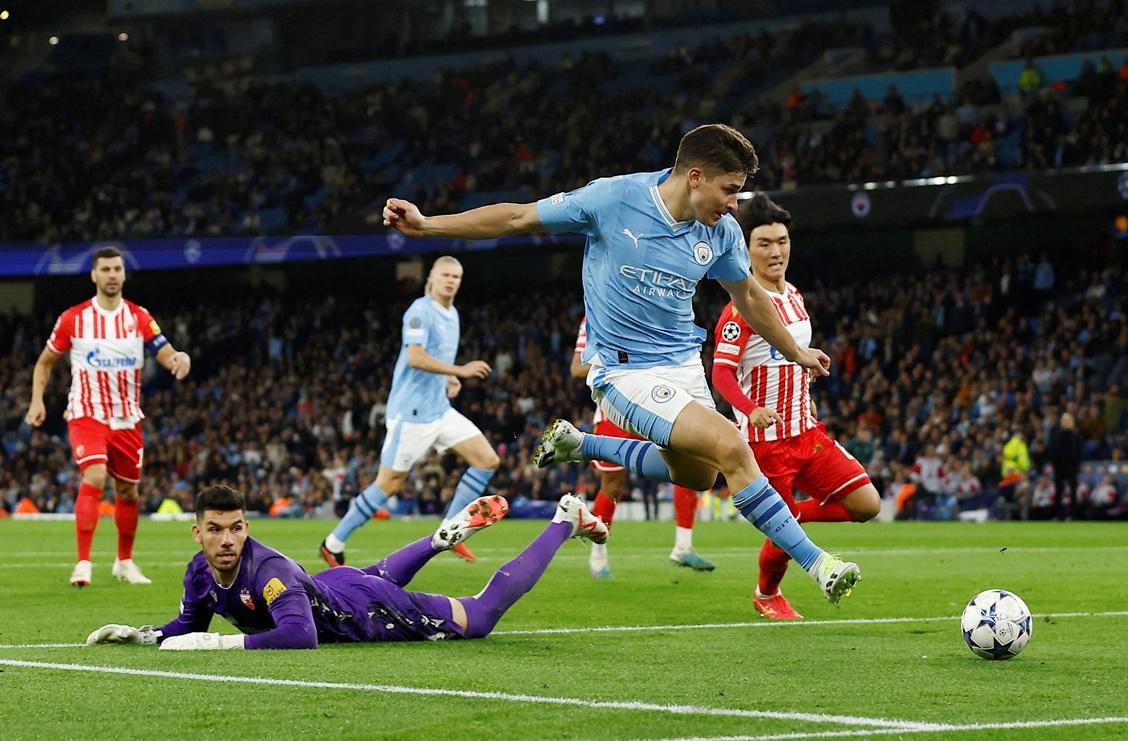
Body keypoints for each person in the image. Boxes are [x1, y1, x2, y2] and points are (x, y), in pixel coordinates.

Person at [381, 123, 861, 606]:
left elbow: (750, 296)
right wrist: (427, 224)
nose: (734, 203)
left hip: (683, 365)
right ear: (695, 176)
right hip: (623, 372)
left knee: (700, 477)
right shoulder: (613, 200)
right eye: (729, 190)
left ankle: (582, 442)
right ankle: (819, 565)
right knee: (733, 447)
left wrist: (795, 351)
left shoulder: (721, 233)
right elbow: (516, 218)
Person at [86, 484, 608, 650]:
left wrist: (224, 643)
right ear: (196, 532)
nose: (228, 540)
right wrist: (146, 635)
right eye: (216, 530)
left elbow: (300, 636)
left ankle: (565, 519)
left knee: (481, 616)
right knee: (372, 573)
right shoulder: (199, 572)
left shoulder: (267, 572)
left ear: (247, 527)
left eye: (237, 528)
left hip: (363, 610)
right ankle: (439, 538)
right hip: (333, 585)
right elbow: (190, 626)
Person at [710, 195, 880, 620]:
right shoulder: (739, 308)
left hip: (807, 431)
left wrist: (810, 364)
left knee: (867, 505)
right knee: (783, 532)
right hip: (766, 444)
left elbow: (791, 355)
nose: (776, 251)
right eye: (764, 243)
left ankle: (787, 519)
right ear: (745, 250)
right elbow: (722, 375)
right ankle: (767, 594)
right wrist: (750, 409)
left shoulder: (796, 296)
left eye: (782, 241)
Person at [25, 247, 191, 588]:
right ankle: (83, 563)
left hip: (127, 418)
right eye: (106, 269)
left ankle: (124, 562)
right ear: (94, 275)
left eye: (117, 268)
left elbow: (162, 348)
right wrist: (36, 401)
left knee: (128, 492)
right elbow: (44, 362)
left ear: (124, 274)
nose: (112, 274)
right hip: (87, 413)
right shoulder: (74, 318)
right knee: (96, 475)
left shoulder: (139, 316)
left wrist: (177, 358)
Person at [318, 256, 499, 566]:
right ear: (431, 277)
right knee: (389, 484)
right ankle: (332, 544)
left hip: (439, 410)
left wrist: (450, 378)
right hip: (411, 415)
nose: (450, 280)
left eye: (456, 276)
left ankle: (450, 530)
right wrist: (461, 370)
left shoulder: (452, 313)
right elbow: (415, 357)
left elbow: (435, 357)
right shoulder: (418, 312)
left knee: (487, 460)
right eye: (445, 275)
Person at [570, 316, 713, 577]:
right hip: (617, 409)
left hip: (657, 401)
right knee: (613, 485)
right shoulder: (595, 314)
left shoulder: (650, 304)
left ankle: (683, 545)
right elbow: (577, 368)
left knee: (689, 463)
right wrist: (622, 357)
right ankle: (598, 557)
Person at [1047, 411, 1083, 520]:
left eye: (1069, 420)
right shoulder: (1055, 434)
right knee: (1059, 490)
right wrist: (1055, 464)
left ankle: (1073, 515)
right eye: (1064, 420)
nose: (1066, 422)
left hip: (1072, 467)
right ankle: (1059, 515)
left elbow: (1079, 451)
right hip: (1059, 467)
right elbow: (1052, 450)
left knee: (1073, 490)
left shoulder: (1076, 435)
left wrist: (1077, 465)